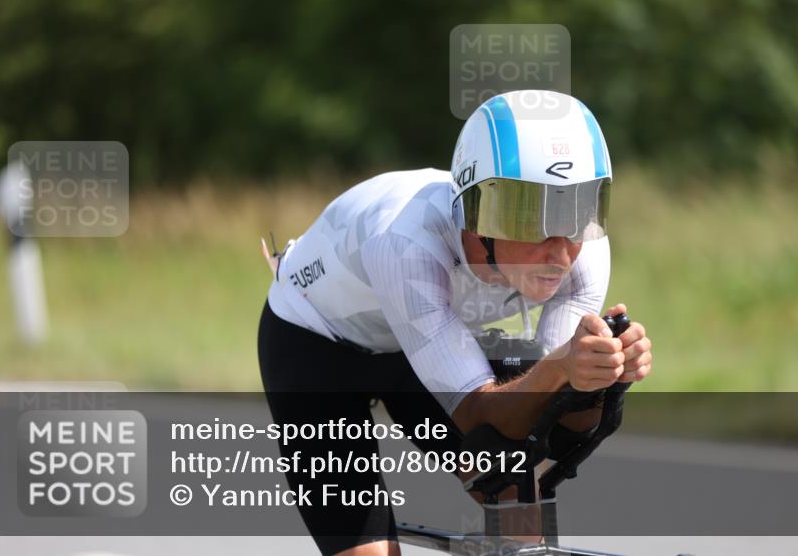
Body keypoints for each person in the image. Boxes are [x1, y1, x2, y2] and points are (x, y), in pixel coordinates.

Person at [257, 90, 652, 556]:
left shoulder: (588, 251)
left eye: (578, 210)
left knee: (511, 483)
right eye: (531, 215)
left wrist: (600, 377)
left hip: (418, 342)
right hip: (317, 348)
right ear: (477, 212)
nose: (560, 250)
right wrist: (559, 369)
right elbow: (478, 414)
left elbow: (547, 424)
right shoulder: (405, 242)